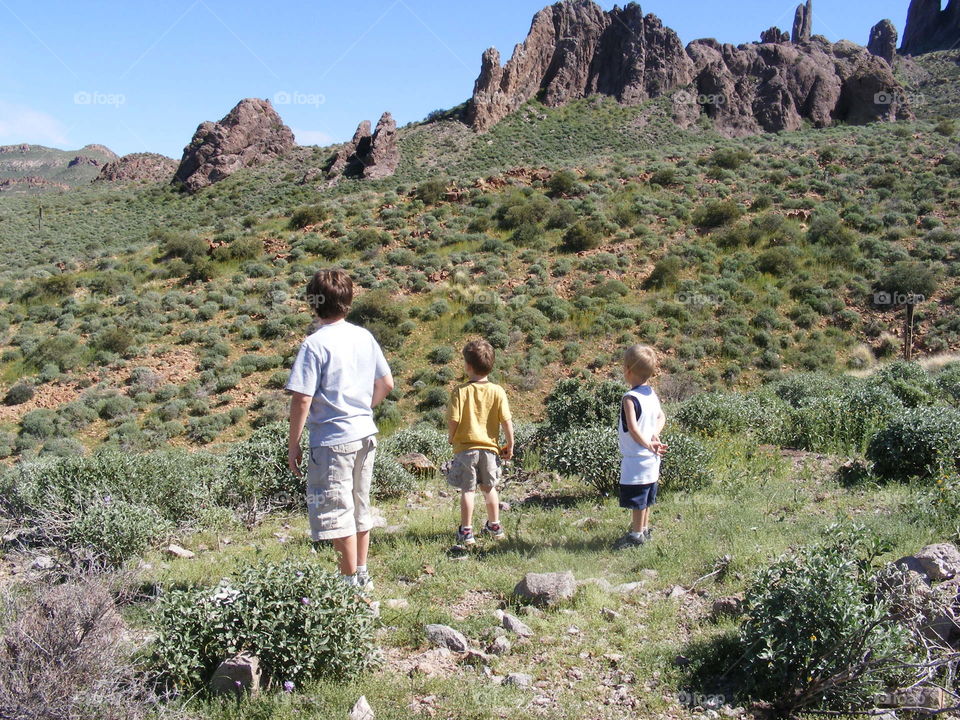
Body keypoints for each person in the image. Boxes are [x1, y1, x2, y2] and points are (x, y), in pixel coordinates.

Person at [285, 269, 394, 590]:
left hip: (332, 441)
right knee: (360, 505)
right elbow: (386, 383)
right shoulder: (364, 337)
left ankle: (350, 587)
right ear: (348, 300)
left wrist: (294, 444)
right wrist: (361, 410)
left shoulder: (314, 344)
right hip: (364, 434)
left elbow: (302, 399)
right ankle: (361, 573)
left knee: (337, 511)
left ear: (314, 303)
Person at [445, 339, 514, 546]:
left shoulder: (460, 391)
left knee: (468, 490)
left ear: (467, 366)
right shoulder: (498, 391)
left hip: (466, 449)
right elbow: (506, 421)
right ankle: (495, 525)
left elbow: (453, 420)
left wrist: (452, 437)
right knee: (489, 487)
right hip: (490, 450)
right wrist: (510, 445)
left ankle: (466, 531)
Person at [613, 344, 667, 550]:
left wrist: (648, 444)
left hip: (637, 458)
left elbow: (633, 430)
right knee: (647, 497)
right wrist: (655, 436)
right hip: (652, 459)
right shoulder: (650, 393)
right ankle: (644, 529)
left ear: (627, 370)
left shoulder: (629, 398)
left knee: (637, 499)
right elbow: (661, 416)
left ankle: (636, 536)